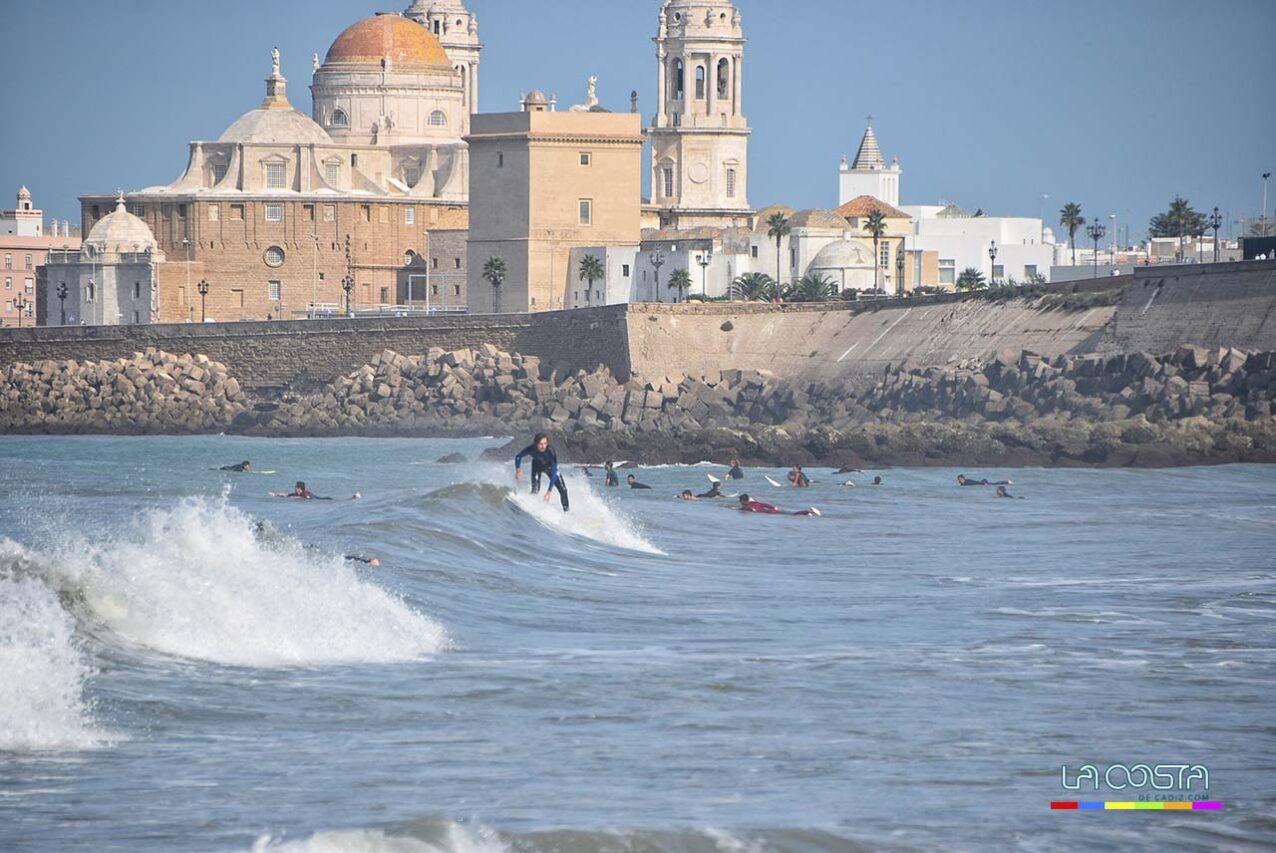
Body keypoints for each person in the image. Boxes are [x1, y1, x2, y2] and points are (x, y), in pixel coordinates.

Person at [514, 433, 569, 512]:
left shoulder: (551, 451)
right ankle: (531, 509)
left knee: (563, 490)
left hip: (550, 468)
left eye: (545, 444)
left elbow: (554, 471)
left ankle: (566, 512)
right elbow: (518, 456)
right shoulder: (531, 449)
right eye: (540, 444)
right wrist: (518, 469)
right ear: (536, 444)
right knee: (535, 490)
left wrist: (549, 491)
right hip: (537, 466)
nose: (543, 446)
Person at [736, 494, 820, 517]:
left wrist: (738, 509)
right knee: (791, 514)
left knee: (792, 515)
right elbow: (765, 504)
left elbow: (750, 510)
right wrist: (773, 507)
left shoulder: (746, 507)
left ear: (743, 501)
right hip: (772, 510)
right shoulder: (754, 502)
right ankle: (807, 513)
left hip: (769, 513)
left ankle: (808, 511)